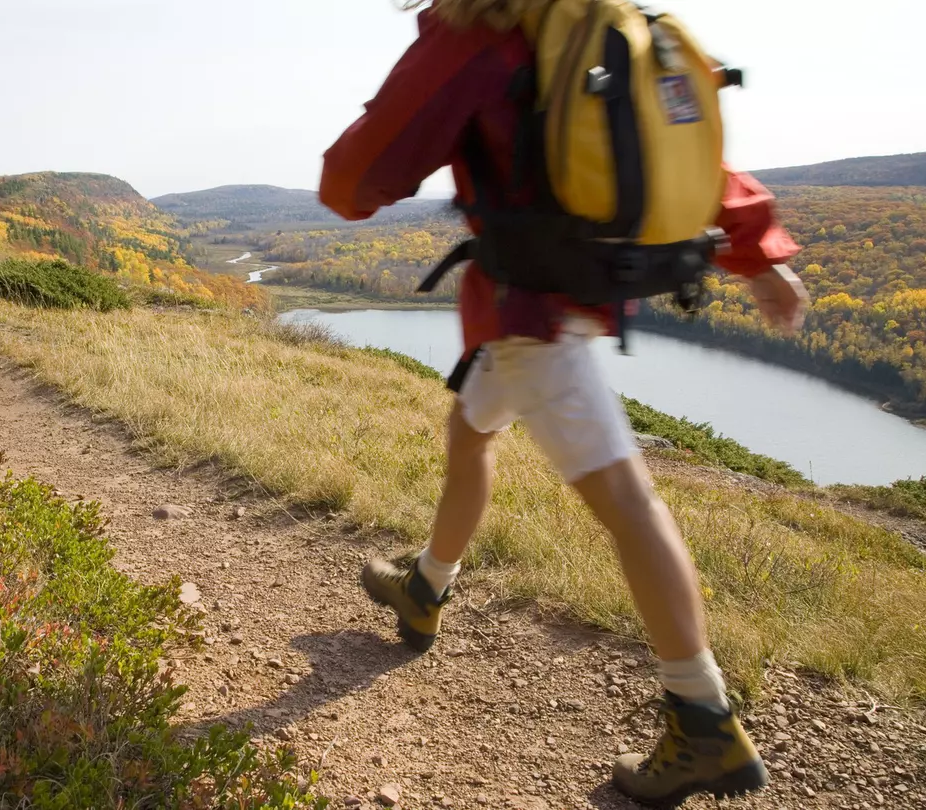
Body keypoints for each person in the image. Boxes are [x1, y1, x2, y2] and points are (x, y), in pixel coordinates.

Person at [318, 0, 809, 806]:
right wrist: (756, 254)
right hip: (570, 296)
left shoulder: (481, 30)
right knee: (470, 427)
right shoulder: (605, 27)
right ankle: (426, 587)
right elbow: (680, 152)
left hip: (531, 313)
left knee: (626, 496)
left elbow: (359, 173)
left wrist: (350, 181)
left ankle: (703, 721)